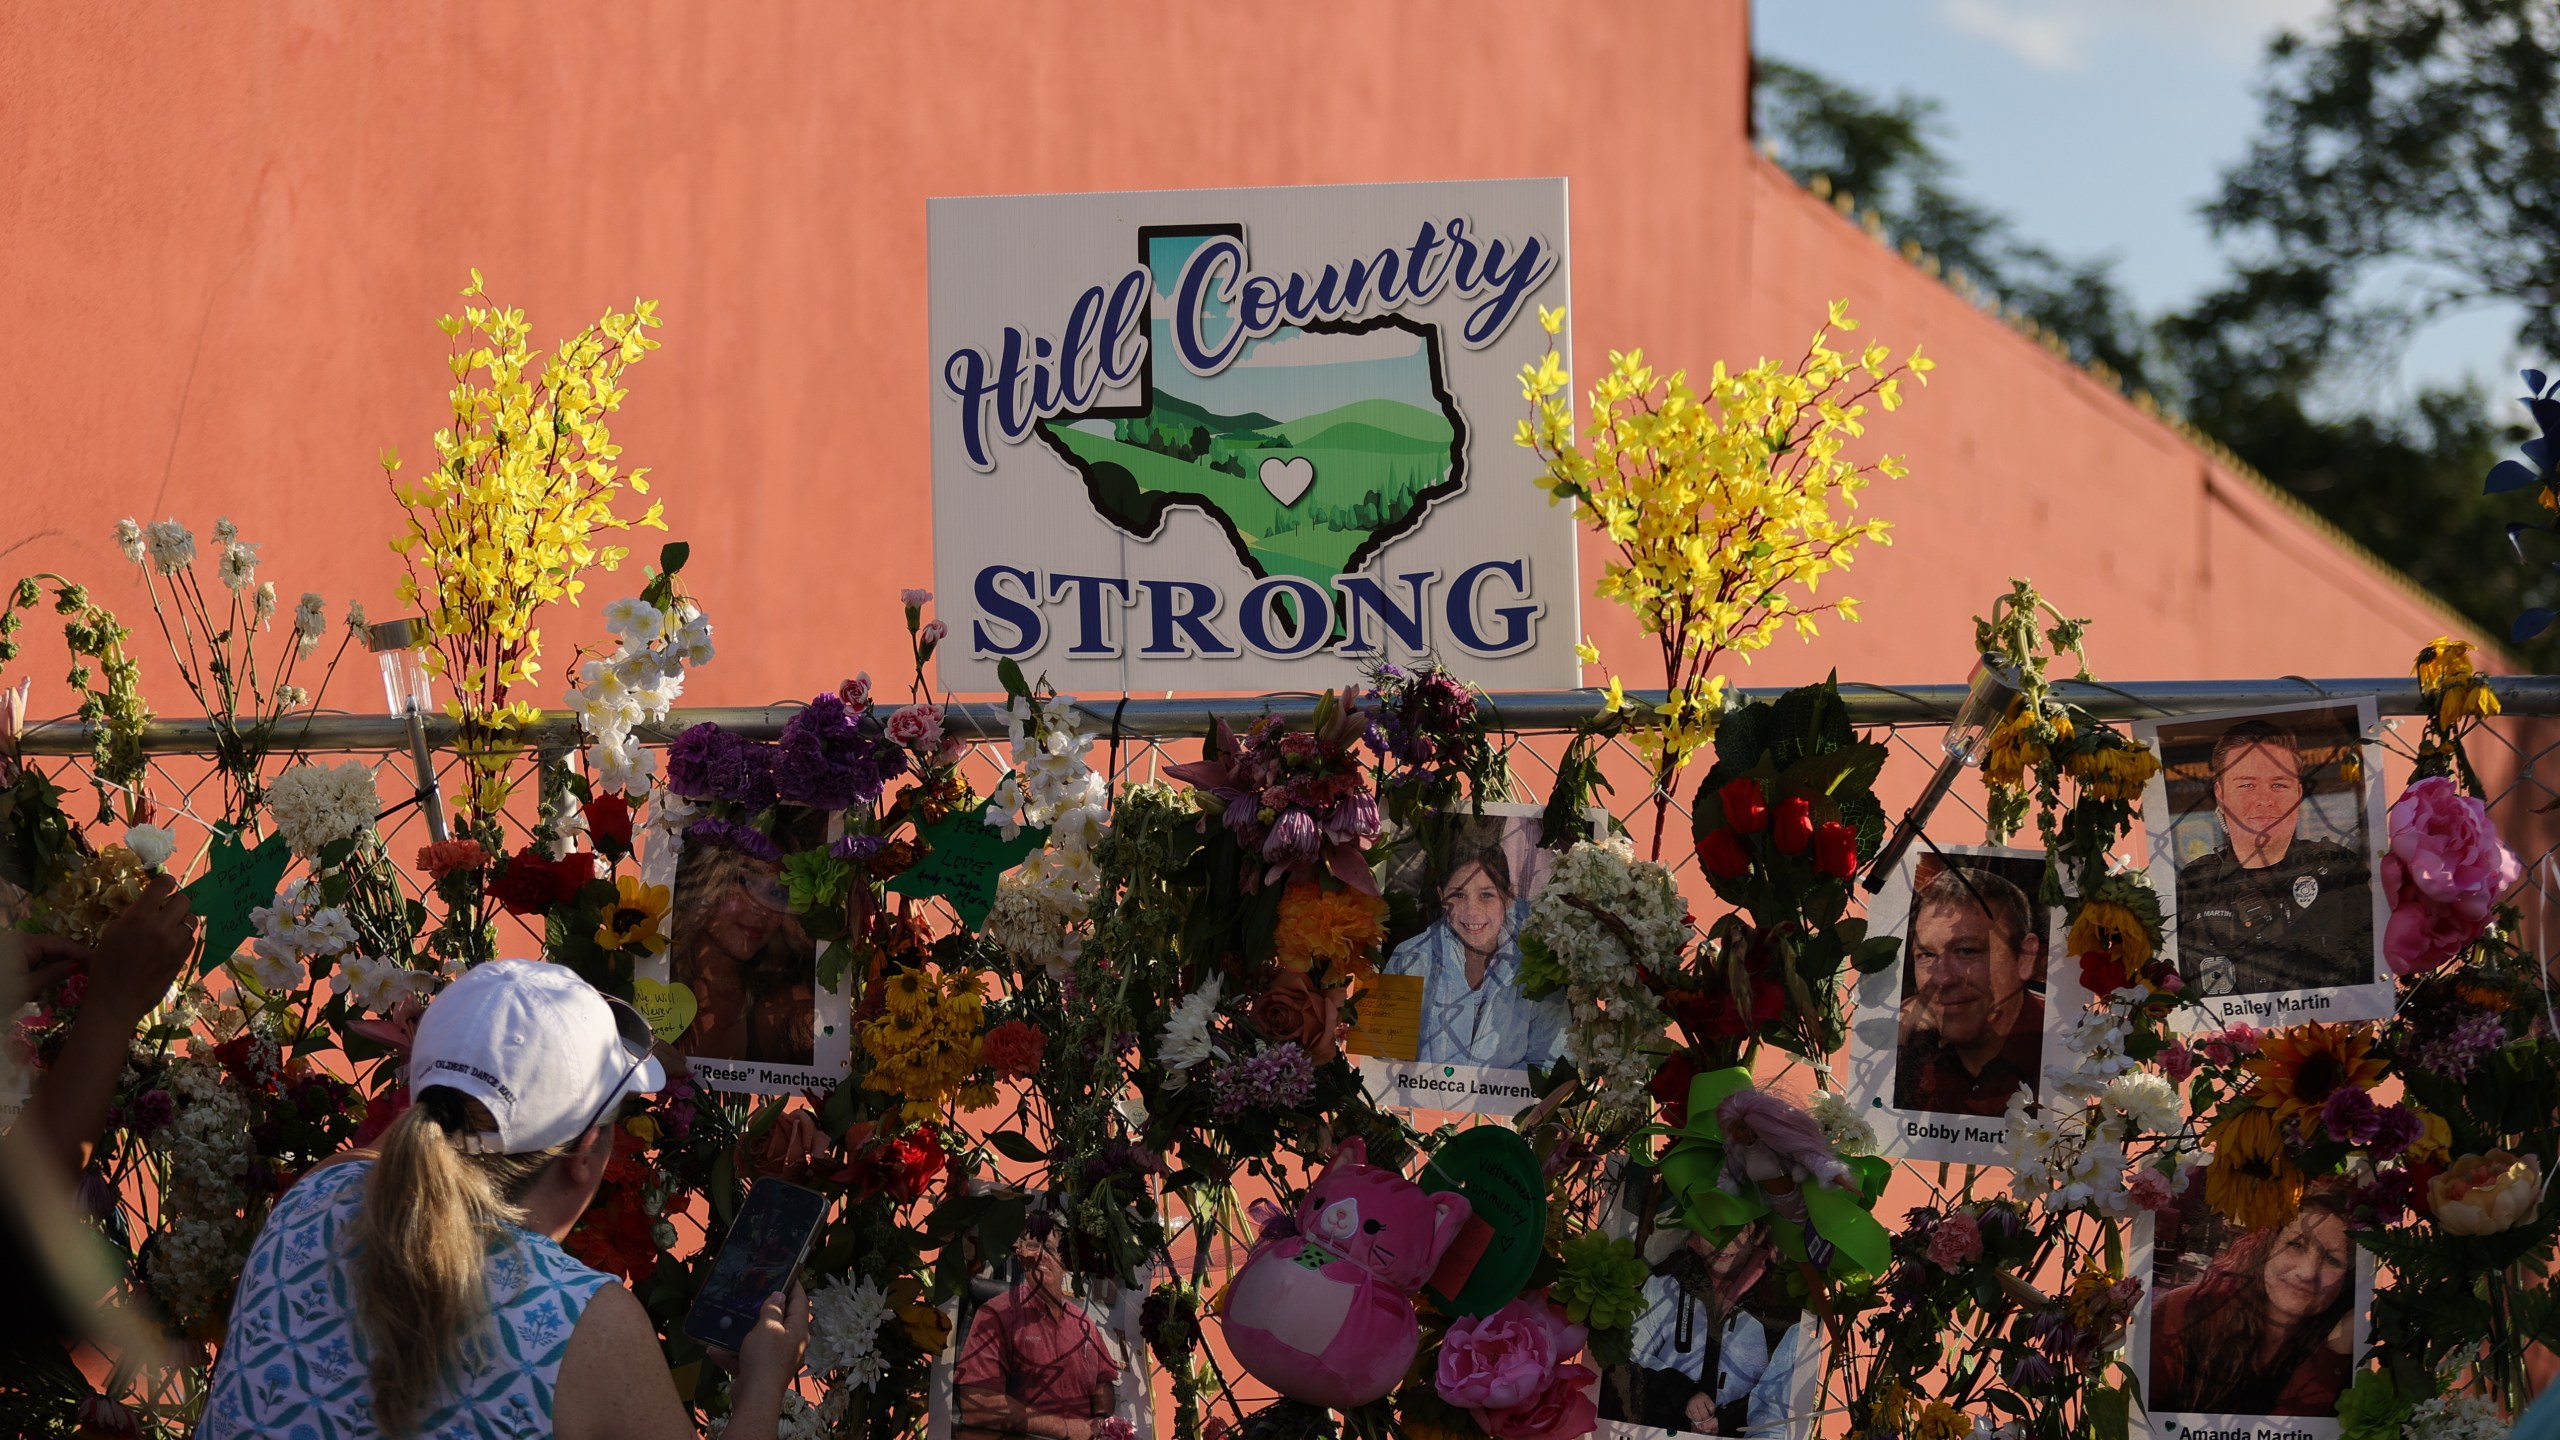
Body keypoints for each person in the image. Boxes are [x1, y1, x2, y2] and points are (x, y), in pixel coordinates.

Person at [199, 959, 810, 1440]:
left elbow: (429, 1118)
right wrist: (763, 1382)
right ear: (586, 1150)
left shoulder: (316, 1196)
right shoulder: (585, 1324)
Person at [2174, 721, 2373, 997]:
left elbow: (2372, 981)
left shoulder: (2339, 871)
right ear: (2220, 794)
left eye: (2279, 785)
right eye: (2246, 785)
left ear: (2299, 794)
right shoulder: (2193, 884)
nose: (2264, 800)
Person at [2148, 1188, 2355, 1416]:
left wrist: (2333, 1354)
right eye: (2296, 1245)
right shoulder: (2185, 1311)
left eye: (2333, 1260)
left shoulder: (2352, 1351)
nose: (2307, 1273)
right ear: (2268, 1246)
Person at [1605, 1225, 1808, 1438]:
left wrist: (1727, 1420)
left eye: (1736, 1228)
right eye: (1712, 1226)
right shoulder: (1667, 1283)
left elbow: (1776, 1413)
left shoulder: (1780, 1311)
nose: (1722, 1240)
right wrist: (1682, 1395)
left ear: (1755, 1230)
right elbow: (1627, 1357)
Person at [1379, 843, 1566, 1071]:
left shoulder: (1536, 967)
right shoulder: (1407, 958)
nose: (1472, 910)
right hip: (1417, 1105)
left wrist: (1489, 1093)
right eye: (1458, 894)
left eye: (1486, 895)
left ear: (1507, 899)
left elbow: (1553, 1063)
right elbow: (1378, 1059)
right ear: (1441, 896)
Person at [954, 1213, 1126, 1440]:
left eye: (1052, 1250)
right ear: (1020, 1255)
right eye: (1033, 1246)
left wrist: (1102, 1420)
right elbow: (979, 1405)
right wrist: (1067, 1429)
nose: (1042, 1256)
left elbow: (1103, 1380)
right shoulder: (995, 1314)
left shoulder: (1084, 1324)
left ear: (1065, 1263)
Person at [1893, 865, 2044, 1117]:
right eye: (1927, 955)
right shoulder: (1913, 1063)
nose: (1942, 978)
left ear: (2025, 957)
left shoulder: (2067, 1058)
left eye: (1966, 951)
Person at [670, 839, 816, 1065]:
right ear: (708, 876)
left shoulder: (784, 1006)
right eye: (745, 881)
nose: (762, 909)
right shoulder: (641, 972)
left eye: (777, 894)